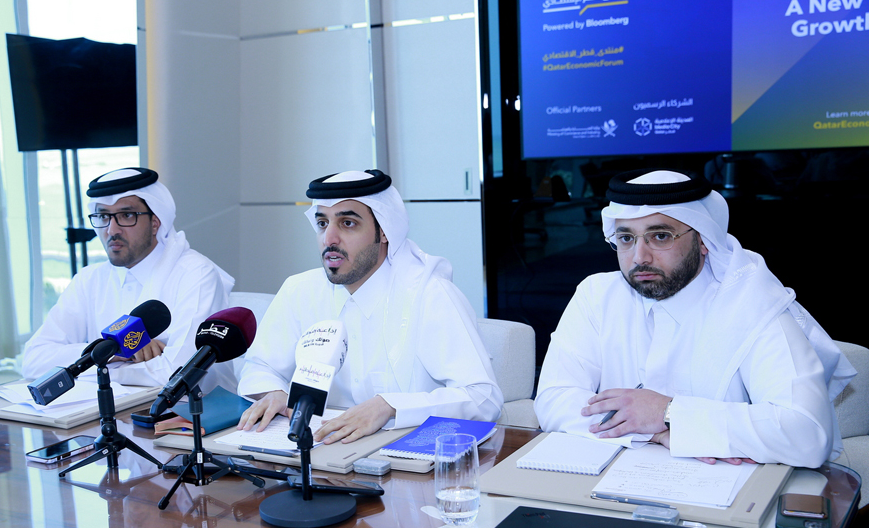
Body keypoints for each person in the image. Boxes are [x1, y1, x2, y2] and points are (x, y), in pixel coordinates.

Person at [535, 169, 855, 468]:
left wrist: (667, 412)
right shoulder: (597, 295)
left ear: (703, 240)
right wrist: (656, 431)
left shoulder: (753, 304)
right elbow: (553, 400)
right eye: (626, 238)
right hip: (611, 488)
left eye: (660, 236)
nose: (639, 257)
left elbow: (807, 434)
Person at [237, 170, 503, 444]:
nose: (329, 239)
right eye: (322, 223)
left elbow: (483, 398)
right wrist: (273, 392)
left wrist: (388, 407)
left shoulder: (429, 295)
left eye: (348, 223)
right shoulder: (299, 290)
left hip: (404, 462)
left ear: (385, 231)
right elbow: (259, 367)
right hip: (317, 454)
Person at [22, 167, 237, 391]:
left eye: (126, 215)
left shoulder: (196, 274)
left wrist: (97, 370)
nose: (112, 229)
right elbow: (33, 360)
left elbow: (177, 375)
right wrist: (116, 352)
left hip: (188, 417)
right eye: (103, 216)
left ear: (155, 222)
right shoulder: (89, 279)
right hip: (101, 413)